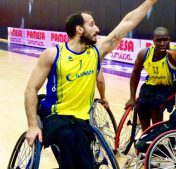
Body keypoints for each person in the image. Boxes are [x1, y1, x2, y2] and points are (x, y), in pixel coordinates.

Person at [24, 0, 159, 168]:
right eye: (92, 25)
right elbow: (31, 89)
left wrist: (150, 1)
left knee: (82, 146)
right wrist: (31, 126)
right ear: (79, 29)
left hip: (81, 120)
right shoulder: (53, 54)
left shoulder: (96, 52)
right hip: (55, 116)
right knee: (68, 137)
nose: (98, 30)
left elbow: (127, 23)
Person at [125, 26, 176, 131]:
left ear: (169, 39)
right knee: (140, 106)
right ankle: (145, 136)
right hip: (151, 86)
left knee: (155, 107)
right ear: (153, 41)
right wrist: (132, 97)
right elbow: (135, 72)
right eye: (159, 40)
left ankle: (156, 135)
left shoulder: (174, 53)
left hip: (171, 87)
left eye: (165, 40)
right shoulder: (144, 54)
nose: (162, 43)